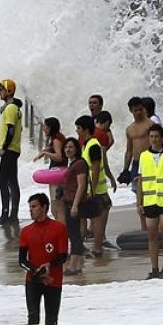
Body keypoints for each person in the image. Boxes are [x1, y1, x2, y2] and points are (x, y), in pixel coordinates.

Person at [18, 193, 68, 325]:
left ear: (44, 207)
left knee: (51, 318)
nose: (31, 210)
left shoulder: (59, 228)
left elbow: (63, 256)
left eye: (34, 206)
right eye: (30, 207)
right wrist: (37, 271)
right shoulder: (26, 231)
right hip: (33, 279)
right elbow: (22, 260)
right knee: (33, 315)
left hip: (53, 279)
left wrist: (49, 266)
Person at [137, 123, 163, 279]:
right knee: (152, 235)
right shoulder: (143, 156)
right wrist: (139, 202)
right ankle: (154, 269)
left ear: (162, 138)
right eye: (151, 137)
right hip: (149, 200)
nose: (154, 139)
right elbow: (141, 180)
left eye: (156, 137)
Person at [75, 115, 112, 256]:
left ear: (86, 129)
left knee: (97, 221)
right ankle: (93, 248)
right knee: (93, 220)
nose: (77, 131)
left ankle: (97, 249)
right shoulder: (86, 145)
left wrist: (93, 190)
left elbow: (95, 169)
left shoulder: (93, 146)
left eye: (78, 128)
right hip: (92, 189)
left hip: (97, 190)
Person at [121, 96, 154, 229]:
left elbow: (159, 143)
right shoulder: (130, 129)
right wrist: (125, 169)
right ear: (131, 111)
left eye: (140, 109)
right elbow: (129, 150)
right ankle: (144, 227)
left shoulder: (150, 125)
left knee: (151, 192)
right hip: (136, 163)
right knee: (138, 194)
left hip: (150, 161)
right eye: (135, 110)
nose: (138, 112)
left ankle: (153, 223)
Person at [0, 78, 23, 228]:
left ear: (9, 91)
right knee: (12, 181)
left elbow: (11, 129)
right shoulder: (11, 107)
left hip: (10, 150)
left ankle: (6, 214)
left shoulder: (11, 108)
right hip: (13, 149)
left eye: (1, 90)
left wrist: (4, 147)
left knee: (2, 181)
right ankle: (13, 214)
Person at [61, 137, 88, 276]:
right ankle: (77, 265)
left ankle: (73, 266)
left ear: (76, 149)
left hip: (74, 203)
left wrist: (75, 205)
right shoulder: (73, 163)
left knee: (74, 235)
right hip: (70, 202)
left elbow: (81, 185)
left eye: (71, 147)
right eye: (66, 147)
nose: (68, 150)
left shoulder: (79, 164)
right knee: (74, 234)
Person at [34, 117, 66, 223]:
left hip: (57, 176)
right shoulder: (58, 138)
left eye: (45, 126)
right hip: (59, 174)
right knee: (57, 207)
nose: (43, 128)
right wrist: (46, 150)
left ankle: (61, 229)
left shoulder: (56, 140)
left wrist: (46, 153)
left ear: (50, 128)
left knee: (56, 208)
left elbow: (59, 157)